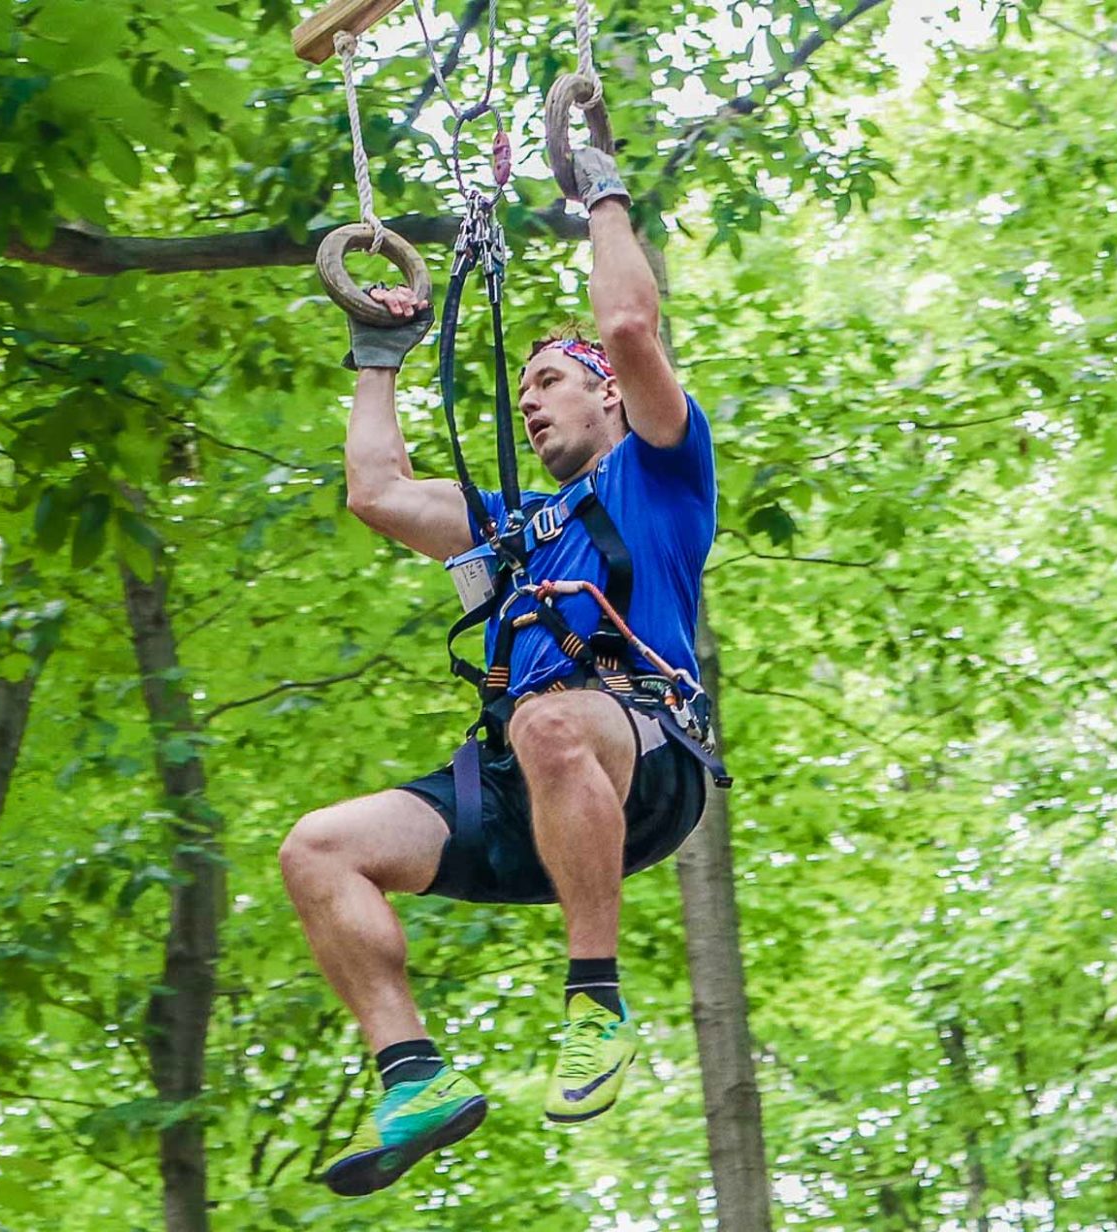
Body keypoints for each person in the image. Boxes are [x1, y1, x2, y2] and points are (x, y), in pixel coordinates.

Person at [278, 146, 720, 1197]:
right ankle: (411, 1072)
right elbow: (376, 489)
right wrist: (378, 348)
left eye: (549, 381)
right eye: (521, 389)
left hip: (639, 757)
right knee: (317, 850)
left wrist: (598, 187)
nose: (527, 402)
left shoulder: (662, 467)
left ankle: (594, 1003)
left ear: (610, 396)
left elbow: (627, 327)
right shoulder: (511, 526)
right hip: (528, 784)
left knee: (551, 722)